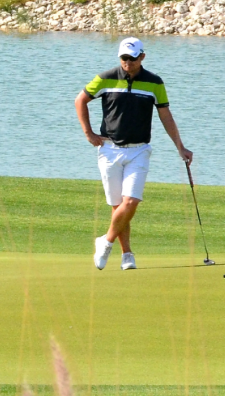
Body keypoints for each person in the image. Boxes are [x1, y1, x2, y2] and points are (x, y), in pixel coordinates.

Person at [76, 37, 192, 271]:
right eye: (124, 58)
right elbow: (81, 100)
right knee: (118, 205)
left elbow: (165, 115)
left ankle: (106, 241)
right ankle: (127, 254)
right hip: (109, 150)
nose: (127, 62)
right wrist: (88, 133)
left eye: (132, 58)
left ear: (142, 57)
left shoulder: (154, 82)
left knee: (131, 201)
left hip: (139, 150)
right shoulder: (106, 78)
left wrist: (180, 146)